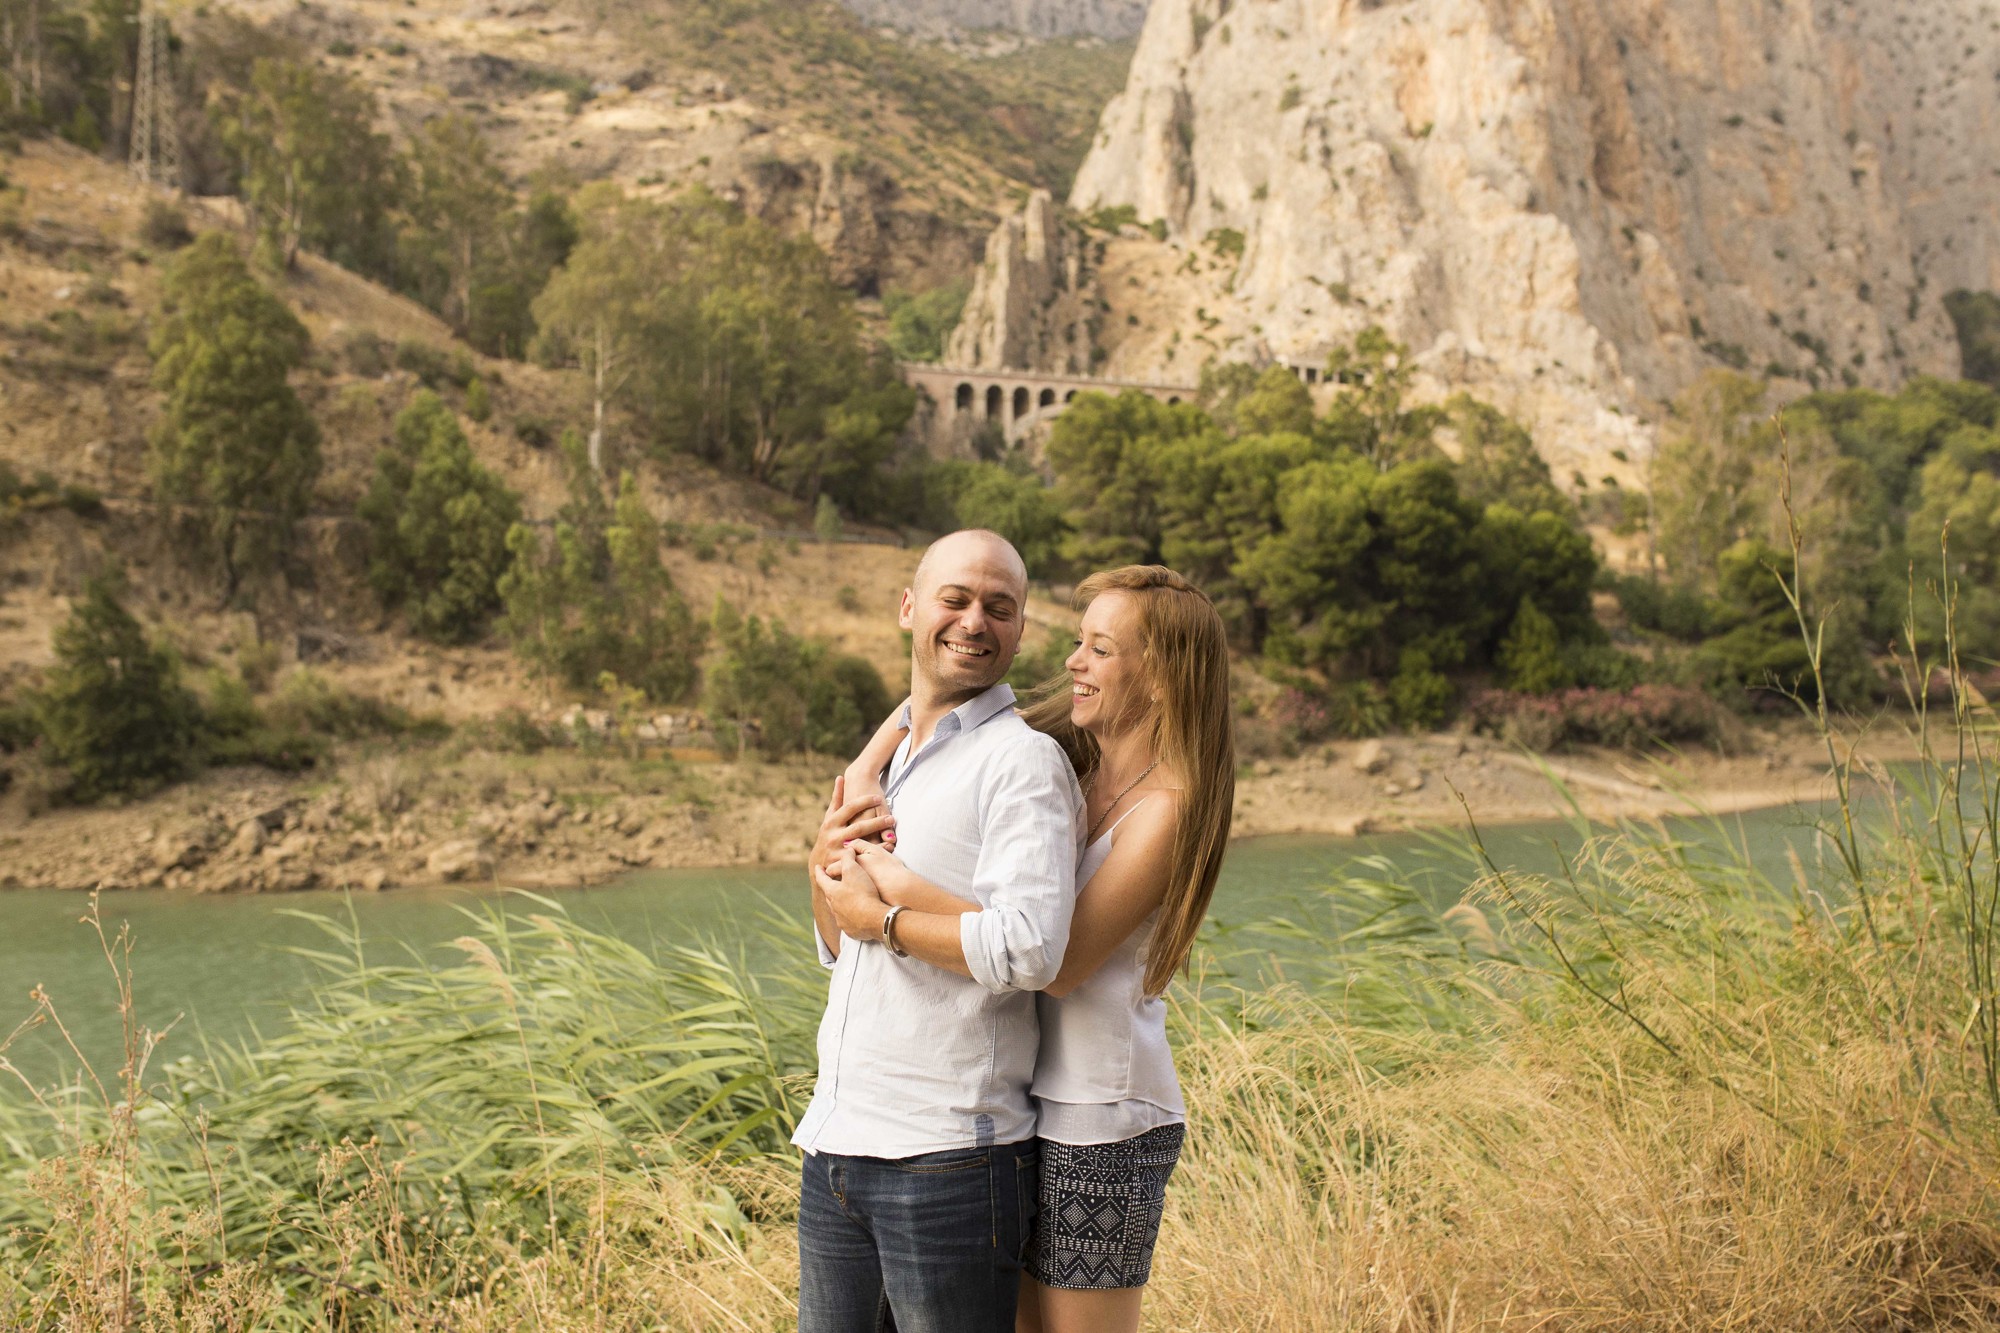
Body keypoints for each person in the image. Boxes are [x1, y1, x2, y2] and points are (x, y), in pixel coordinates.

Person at [834, 565, 1235, 1333]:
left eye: (1100, 649)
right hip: (1022, 1109)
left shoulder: (1169, 808)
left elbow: (1055, 959)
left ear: (1161, 674)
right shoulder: (1068, 762)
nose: (1074, 662)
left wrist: (890, 894)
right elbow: (941, 708)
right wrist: (866, 764)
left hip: (1102, 1114)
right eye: (1078, 643)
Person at [797, 529, 1086, 1333]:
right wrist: (823, 876)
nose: (975, 620)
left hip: (951, 1157)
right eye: (955, 599)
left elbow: (1031, 947)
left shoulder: (1021, 762)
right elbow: (837, 938)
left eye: (1000, 607)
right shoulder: (885, 761)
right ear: (909, 607)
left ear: (1021, 629)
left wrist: (883, 920)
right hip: (837, 1144)